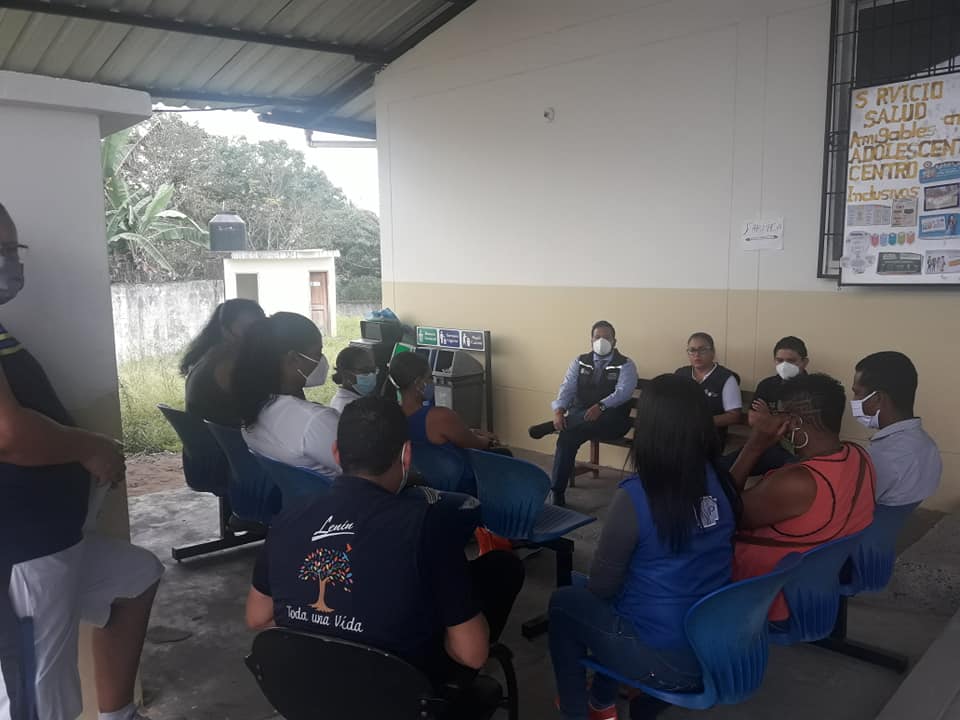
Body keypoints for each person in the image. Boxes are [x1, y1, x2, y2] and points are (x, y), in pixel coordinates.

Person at [0, 202, 164, 720]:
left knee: (133, 577)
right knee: (38, 699)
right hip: (21, 553)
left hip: (52, 539)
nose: (8, 263)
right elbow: (9, 434)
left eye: (11, 249)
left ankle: (118, 714)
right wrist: (90, 447)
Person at [244, 396, 525, 691]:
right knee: (501, 567)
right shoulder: (426, 526)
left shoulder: (288, 518)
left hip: (307, 689)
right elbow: (471, 654)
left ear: (336, 453)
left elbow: (257, 617)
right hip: (402, 694)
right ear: (406, 455)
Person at [549, 374, 738, 720]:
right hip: (717, 650)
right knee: (619, 602)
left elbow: (602, 587)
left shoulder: (636, 495)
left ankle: (577, 712)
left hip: (666, 660)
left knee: (566, 602)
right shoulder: (722, 482)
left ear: (648, 429)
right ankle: (601, 703)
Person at [731, 373, 875, 620]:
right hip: (812, 588)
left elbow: (723, 513)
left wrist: (754, 446)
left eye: (779, 413)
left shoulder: (798, 482)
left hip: (765, 594)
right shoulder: (859, 457)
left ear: (794, 421)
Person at [529, 321, 638, 507]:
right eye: (597, 337)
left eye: (607, 337)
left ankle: (553, 426)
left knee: (574, 426)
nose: (601, 341)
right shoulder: (579, 361)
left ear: (614, 341)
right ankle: (557, 491)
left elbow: (623, 392)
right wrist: (559, 411)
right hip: (581, 421)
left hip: (612, 421)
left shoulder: (626, 364)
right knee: (567, 437)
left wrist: (601, 406)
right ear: (591, 340)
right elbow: (567, 387)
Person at [233, 312, 339, 475]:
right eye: (317, 353)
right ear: (293, 359)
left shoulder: (252, 405)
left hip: (295, 492)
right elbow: (372, 473)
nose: (322, 361)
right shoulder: (315, 421)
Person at [852, 351, 941, 506]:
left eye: (857, 393)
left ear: (877, 398)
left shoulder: (881, 458)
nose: (854, 400)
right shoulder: (928, 445)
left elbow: (848, 505)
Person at [722, 336, 810, 477]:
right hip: (766, 446)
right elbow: (753, 419)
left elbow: (806, 426)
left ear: (804, 362)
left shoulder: (814, 388)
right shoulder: (767, 385)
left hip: (798, 452)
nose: (784, 365)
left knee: (789, 479)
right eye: (779, 360)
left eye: (791, 361)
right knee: (721, 468)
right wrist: (781, 419)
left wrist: (769, 418)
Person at [182, 298, 265, 427]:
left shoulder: (210, 355)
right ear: (226, 330)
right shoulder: (229, 363)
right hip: (227, 438)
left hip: (207, 437)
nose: (255, 334)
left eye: (259, 328)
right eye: (246, 328)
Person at [675, 332, 742, 448]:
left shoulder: (726, 378)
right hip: (679, 435)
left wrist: (700, 422)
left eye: (702, 350)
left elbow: (734, 416)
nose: (697, 354)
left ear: (713, 352)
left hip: (709, 438)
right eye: (692, 350)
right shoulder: (680, 374)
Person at [329, 346, 379, 414]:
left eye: (373, 370)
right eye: (365, 371)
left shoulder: (345, 398)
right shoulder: (351, 408)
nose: (371, 375)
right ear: (346, 374)